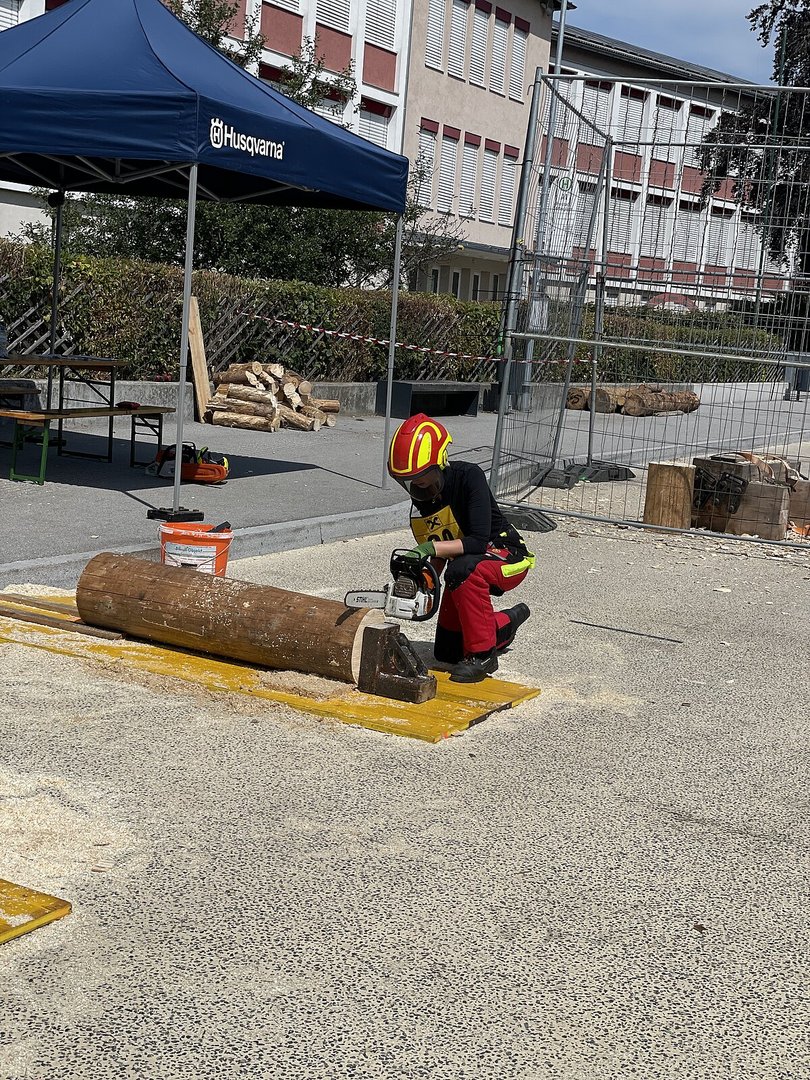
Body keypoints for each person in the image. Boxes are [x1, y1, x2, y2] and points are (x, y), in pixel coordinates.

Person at [388, 412, 534, 683]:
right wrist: (422, 576)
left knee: (463, 570)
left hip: (505, 553)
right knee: (448, 651)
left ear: (440, 462)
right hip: (467, 562)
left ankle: (483, 656)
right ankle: (507, 621)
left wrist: (429, 549)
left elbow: (477, 541)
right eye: (409, 480)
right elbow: (441, 548)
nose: (417, 485)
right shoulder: (424, 494)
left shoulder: (469, 477)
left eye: (421, 476)